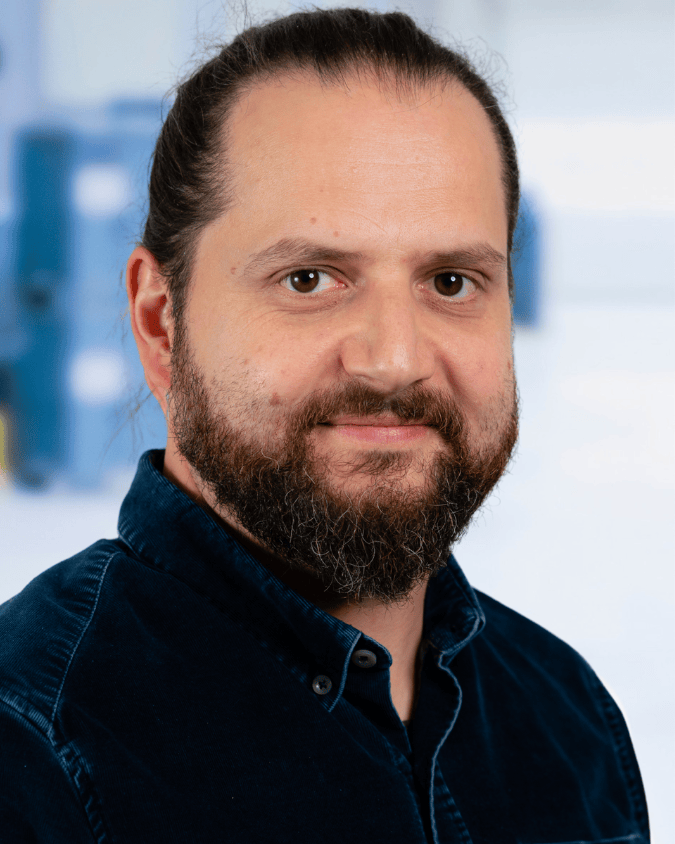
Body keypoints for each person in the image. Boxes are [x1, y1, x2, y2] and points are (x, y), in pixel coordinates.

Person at [0, 8, 649, 843]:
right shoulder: (33, 754)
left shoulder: (566, 715)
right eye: (309, 278)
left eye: (451, 281)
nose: (392, 360)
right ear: (161, 322)